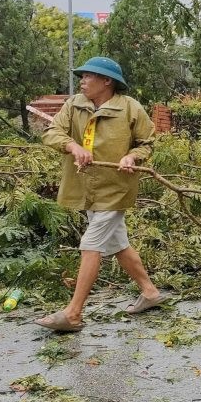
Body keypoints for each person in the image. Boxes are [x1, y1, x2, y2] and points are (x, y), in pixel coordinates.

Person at [36, 57, 167, 331]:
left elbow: (147, 143)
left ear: (107, 81)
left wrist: (132, 156)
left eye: (88, 76)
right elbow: (51, 132)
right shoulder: (74, 104)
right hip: (86, 187)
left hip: (116, 187)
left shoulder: (129, 108)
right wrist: (72, 146)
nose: (82, 80)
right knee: (117, 243)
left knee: (91, 244)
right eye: (81, 76)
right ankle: (150, 291)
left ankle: (73, 313)